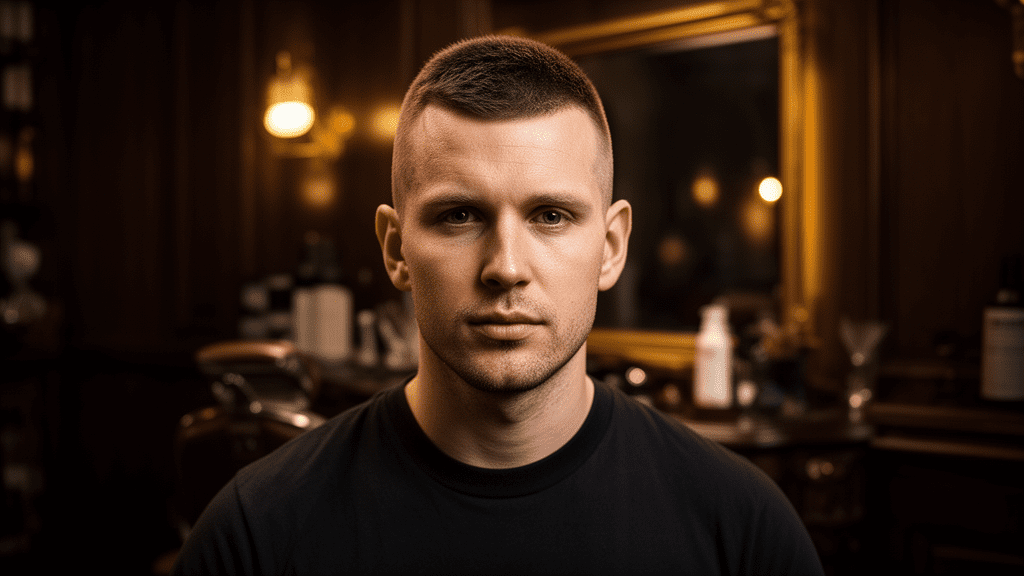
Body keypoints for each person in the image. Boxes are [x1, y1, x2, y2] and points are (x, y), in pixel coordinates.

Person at [172, 35, 824, 576]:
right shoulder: (256, 535)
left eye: (550, 215)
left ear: (611, 247)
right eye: (459, 215)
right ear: (395, 249)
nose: (506, 267)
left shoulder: (743, 531)